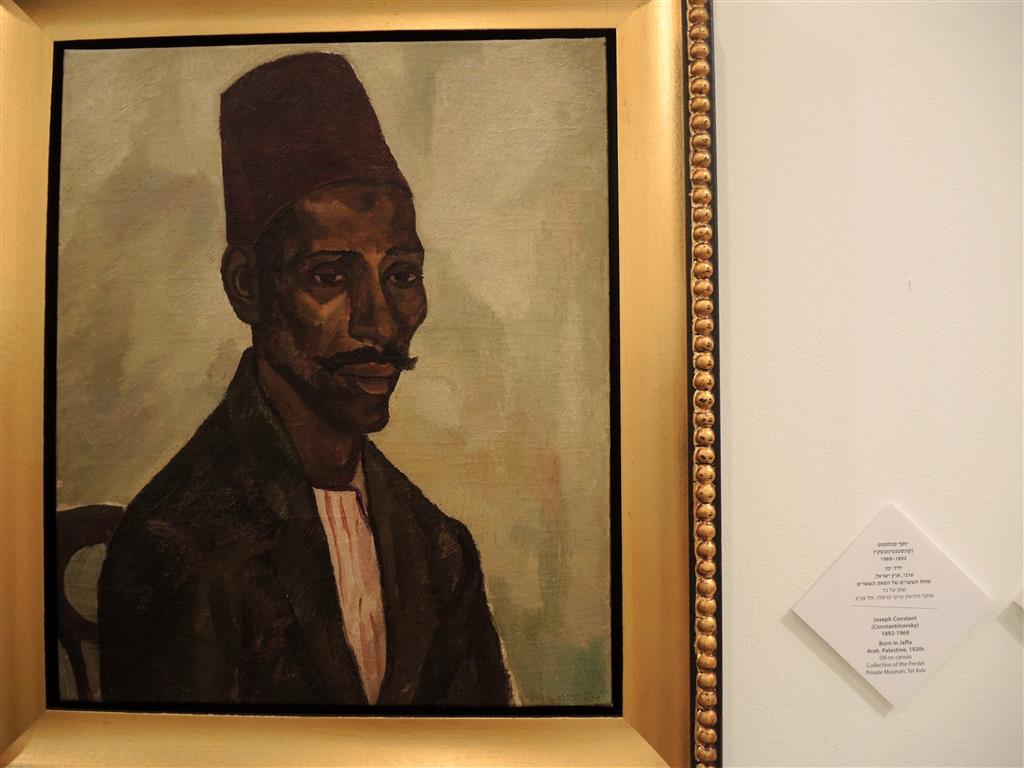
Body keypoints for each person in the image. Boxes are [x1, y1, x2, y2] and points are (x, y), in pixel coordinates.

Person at [98, 52, 513, 707]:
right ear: (247, 287)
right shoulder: (179, 548)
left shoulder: (440, 550)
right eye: (330, 276)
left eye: (402, 276)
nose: (380, 324)